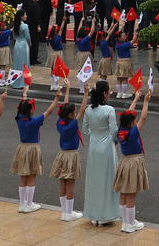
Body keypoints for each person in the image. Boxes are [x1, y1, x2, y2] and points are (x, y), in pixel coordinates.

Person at [13, 83, 63, 213]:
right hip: (33, 149)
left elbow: (21, 107)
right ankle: (29, 204)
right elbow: (49, 111)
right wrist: (57, 98)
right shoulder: (34, 122)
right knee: (31, 176)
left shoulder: (19, 119)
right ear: (30, 110)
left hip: (22, 148)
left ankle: (22, 203)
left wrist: (25, 94)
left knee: (23, 176)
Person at [112, 86, 152, 234]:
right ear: (131, 123)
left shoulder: (121, 131)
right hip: (133, 163)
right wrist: (146, 102)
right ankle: (130, 223)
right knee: (131, 194)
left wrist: (135, 100)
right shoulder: (132, 134)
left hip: (124, 162)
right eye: (134, 120)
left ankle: (125, 222)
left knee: (123, 192)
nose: (136, 121)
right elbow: (143, 118)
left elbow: (128, 115)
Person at [83, 80, 121, 226]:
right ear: (104, 93)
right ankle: (107, 214)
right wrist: (115, 139)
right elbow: (113, 131)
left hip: (94, 146)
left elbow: (85, 130)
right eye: (109, 91)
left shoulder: (88, 109)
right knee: (108, 177)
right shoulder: (109, 110)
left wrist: (95, 135)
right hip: (107, 147)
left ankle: (94, 215)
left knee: (94, 178)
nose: (110, 93)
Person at [52, 83, 90, 221]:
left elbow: (65, 105)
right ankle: (69, 213)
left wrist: (67, 89)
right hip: (71, 155)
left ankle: (64, 211)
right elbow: (83, 110)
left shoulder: (60, 122)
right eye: (73, 113)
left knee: (63, 183)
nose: (76, 114)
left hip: (62, 154)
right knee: (70, 184)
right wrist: (86, 93)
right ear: (70, 115)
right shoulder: (72, 124)